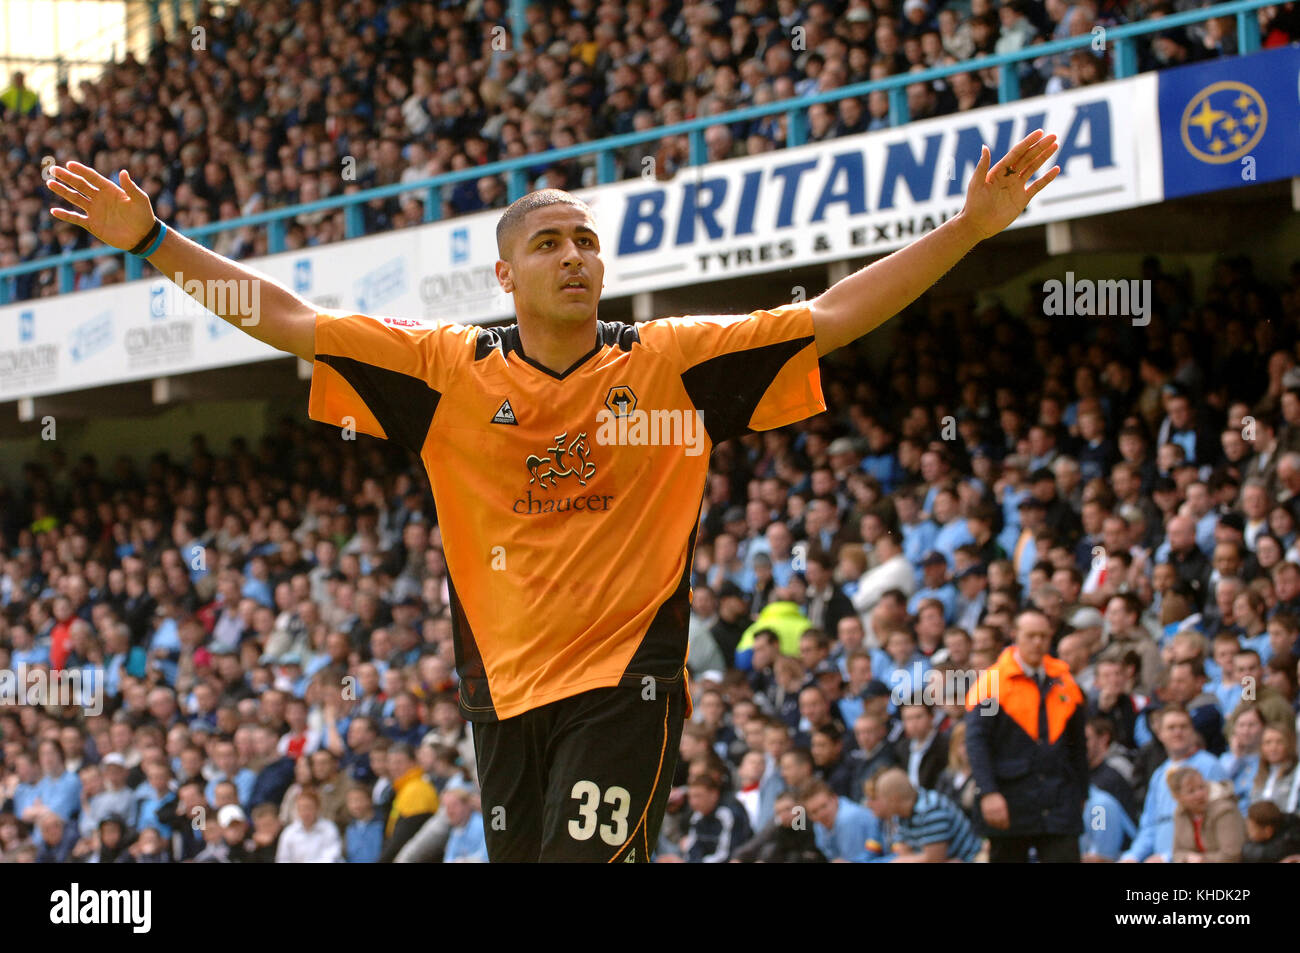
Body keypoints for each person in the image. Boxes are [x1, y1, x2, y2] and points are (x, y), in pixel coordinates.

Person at [45, 129, 1061, 862]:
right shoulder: (444, 372)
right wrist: (153, 243)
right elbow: (289, 319)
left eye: (586, 241)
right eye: (550, 243)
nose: (576, 255)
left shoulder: (672, 363)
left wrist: (968, 230)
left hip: (628, 685)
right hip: (499, 696)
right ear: (504, 273)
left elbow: (831, 313)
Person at [964, 607, 1089, 862]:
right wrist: (988, 791)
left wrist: (1082, 793)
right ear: (1015, 635)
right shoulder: (991, 682)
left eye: (1043, 636)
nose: (1038, 642)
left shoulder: (1064, 680)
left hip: (1058, 799)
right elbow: (977, 742)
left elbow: (1078, 746)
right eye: (1031, 635)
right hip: (1010, 797)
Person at [1121, 705, 1228, 862]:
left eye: (1183, 727)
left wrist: (1169, 857)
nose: (1178, 732)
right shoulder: (1159, 774)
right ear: (1160, 734)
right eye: (1171, 728)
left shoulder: (1209, 765)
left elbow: (1218, 822)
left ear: (1192, 731)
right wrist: (1133, 856)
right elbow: (1150, 825)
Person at [867, 767, 981, 862]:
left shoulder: (931, 808)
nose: (872, 804)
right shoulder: (900, 815)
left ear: (894, 799)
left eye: (881, 799)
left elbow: (934, 858)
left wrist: (904, 860)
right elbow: (904, 853)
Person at [800, 778, 889, 862]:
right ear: (809, 816)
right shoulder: (818, 825)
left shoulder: (847, 818)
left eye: (824, 806)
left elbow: (853, 861)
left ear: (834, 799)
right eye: (814, 812)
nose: (821, 814)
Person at [1168, 767, 1245, 863]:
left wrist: (1201, 860)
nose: (1199, 794)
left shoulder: (1225, 810)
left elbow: (1232, 855)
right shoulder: (1180, 813)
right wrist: (1187, 858)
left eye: (1201, 787)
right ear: (1178, 797)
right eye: (1191, 791)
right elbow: (1177, 853)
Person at [274, 789, 342, 863]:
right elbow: (282, 859)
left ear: (318, 808)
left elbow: (331, 857)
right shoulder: (289, 832)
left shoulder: (329, 828)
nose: (305, 812)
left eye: (309, 807)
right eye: (301, 808)